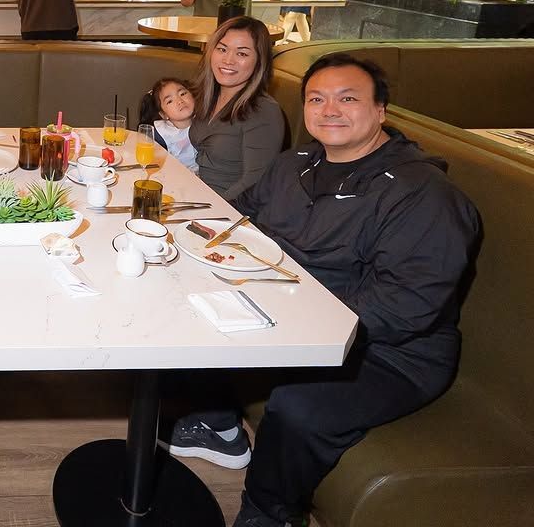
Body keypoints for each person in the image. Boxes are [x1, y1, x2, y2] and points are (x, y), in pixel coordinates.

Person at [167, 54, 480, 527]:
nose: (329, 109)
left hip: (391, 353)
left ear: (380, 111)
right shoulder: (295, 163)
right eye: (316, 99)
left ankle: (269, 513)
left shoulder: (423, 193)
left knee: (299, 406)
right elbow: (242, 216)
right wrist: (186, 232)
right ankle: (221, 424)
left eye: (347, 98)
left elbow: (406, 304)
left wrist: (289, 323)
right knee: (183, 300)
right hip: (291, 308)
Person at [189, 16, 285, 200]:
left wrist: (211, 207)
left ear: (260, 61)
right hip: (197, 195)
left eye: (242, 54)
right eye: (222, 49)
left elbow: (254, 182)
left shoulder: (264, 111)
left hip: (229, 208)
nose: (228, 60)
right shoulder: (208, 95)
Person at [139, 77, 197, 172]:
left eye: (182, 94)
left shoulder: (207, 121)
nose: (180, 101)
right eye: (170, 101)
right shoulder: (159, 135)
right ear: (163, 115)